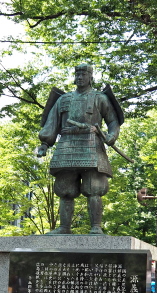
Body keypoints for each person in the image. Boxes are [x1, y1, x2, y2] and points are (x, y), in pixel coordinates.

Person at [38, 63, 122, 235]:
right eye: (78, 74)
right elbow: (51, 123)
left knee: (94, 189)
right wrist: (45, 144)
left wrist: (111, 136)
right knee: (65, 190)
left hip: (92, 145)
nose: (80, 77)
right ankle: (64, 227)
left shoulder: (100, 98)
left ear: (91, 76)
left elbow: (113, 121)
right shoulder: (64, 99)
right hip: (67, 145)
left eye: (84, 74)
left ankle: (96, 227)